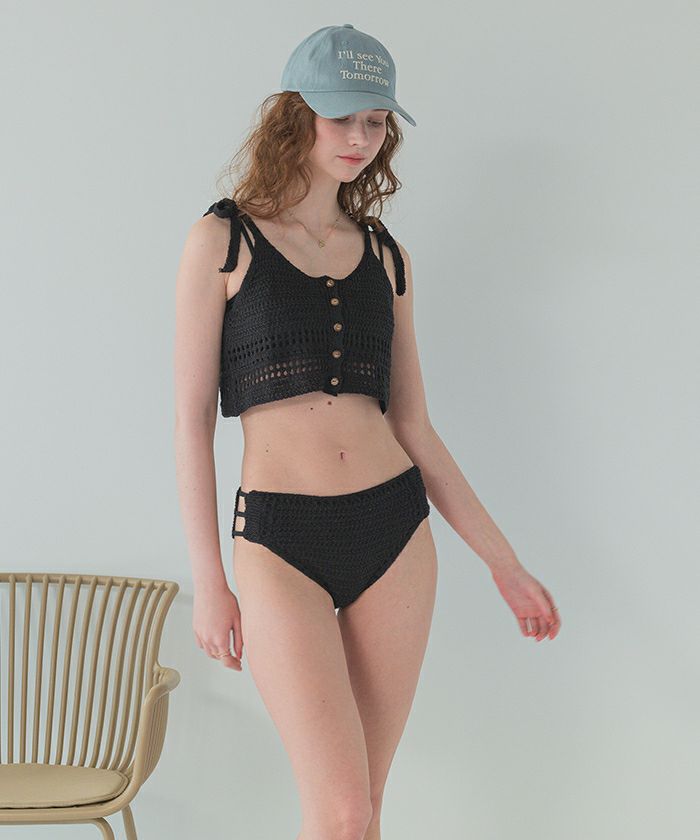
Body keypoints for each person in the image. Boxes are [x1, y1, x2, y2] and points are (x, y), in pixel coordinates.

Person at [174, 23, 562, 840]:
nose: (359, 137)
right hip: (279, 540)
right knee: (342, 811)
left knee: (365, 812)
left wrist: (506, 564)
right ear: (296, 114)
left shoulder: (387, 256)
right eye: (342, 117)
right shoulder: (222, 241)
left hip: (394, 532)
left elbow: (414, 425)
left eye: (376, 120)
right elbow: (189, 422)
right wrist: (210, 580)